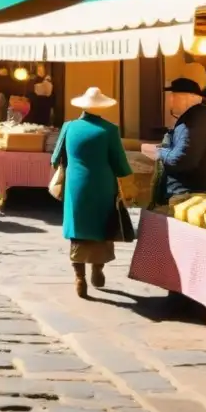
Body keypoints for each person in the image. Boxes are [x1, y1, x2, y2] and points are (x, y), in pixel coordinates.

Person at [52, 87, 133, 298]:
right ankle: (98, 269)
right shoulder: (110, 130)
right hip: (103, 185)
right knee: (102, 228)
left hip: (75, 186)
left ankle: (79, 278)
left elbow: (55, 159)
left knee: (77, 229)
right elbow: (121, 165)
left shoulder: (68, 127)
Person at [156, 77, 206, 205]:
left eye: (174, 96)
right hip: (194, 192)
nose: (170, 100)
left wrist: (160, 152)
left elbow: (181, 160)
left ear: (188, 98)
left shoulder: (193, 122)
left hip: (187, 195)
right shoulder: (201, 116)